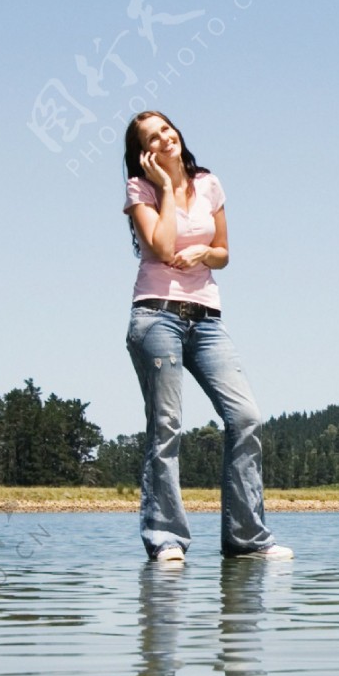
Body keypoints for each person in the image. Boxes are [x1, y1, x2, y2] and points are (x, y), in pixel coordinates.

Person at [121, 110, 291, 567]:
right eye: (152, 137)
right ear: (144, 153)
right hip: (156, 317)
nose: (164, 138)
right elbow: (159, 245)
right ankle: (166, 540)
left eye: (166, 129)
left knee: (246, 417)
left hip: (208, 319)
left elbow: (223, 254)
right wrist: (171, 190)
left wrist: (204, 252)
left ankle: (246, 539)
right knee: (166, 427)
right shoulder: (141, 190)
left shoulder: (210, 183)